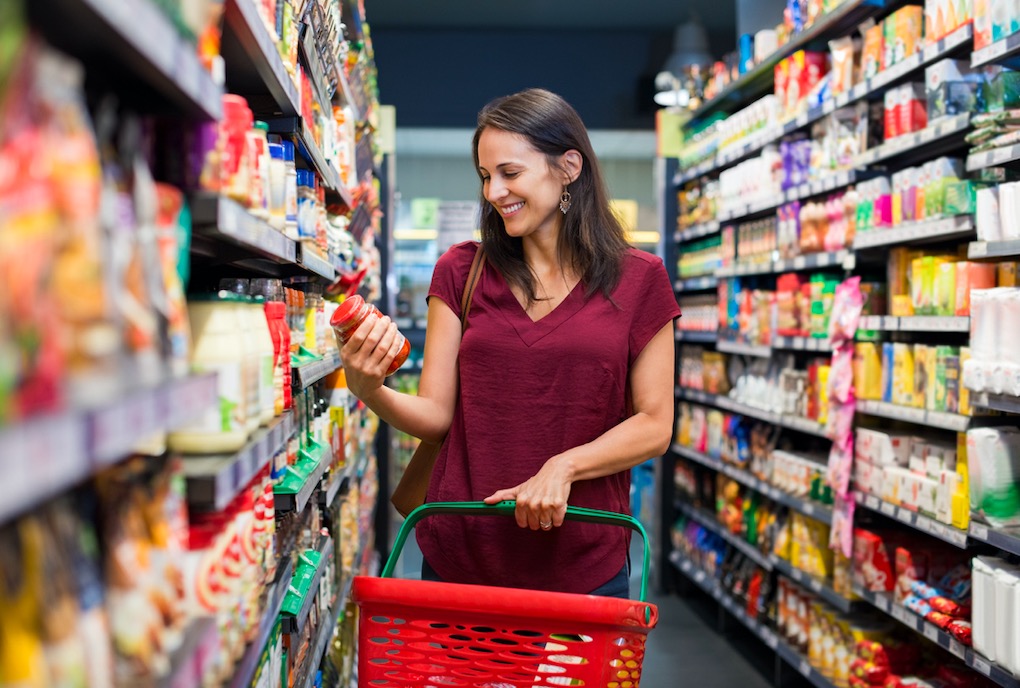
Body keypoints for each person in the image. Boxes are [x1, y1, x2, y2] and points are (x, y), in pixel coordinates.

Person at [340, 88, 680, 598]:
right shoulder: (461, 270)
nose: (494, 192)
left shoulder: (639, 278)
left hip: (582, 561)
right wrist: (370, 390)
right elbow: (437, 415)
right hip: (464, 555)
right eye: (484, 176)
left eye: (510, 173)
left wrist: (563, 466)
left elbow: (655, 424)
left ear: (569, 167)